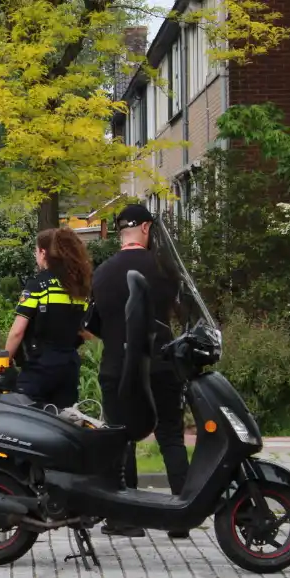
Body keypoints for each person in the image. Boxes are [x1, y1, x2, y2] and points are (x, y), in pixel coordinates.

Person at [84, 203, 190, 539]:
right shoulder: (163, 266)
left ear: (121, 231)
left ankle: (126, 518)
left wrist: (118, 337)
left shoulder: (102, 273)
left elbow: (91, 325)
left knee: (120, 437)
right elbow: (181, 310)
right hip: (160, 363)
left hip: (118, 366)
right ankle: (181, 516)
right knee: (171, 435)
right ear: (146, 228)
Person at [0, 228, 92, 409]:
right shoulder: (78, 287)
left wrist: (5, 363)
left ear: (43, 253)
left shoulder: (38, 285)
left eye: (36, 251)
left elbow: (17, 331)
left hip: (39, 367)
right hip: (69, 366)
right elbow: (84, 331)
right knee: (62, 421)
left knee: (27, 420)